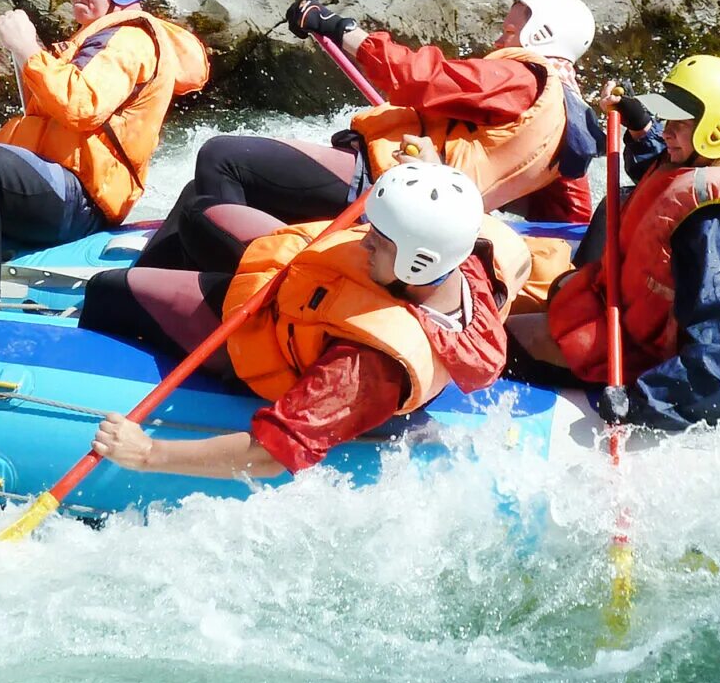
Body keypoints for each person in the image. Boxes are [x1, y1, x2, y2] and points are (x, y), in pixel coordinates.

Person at [81, 162, 531, 478]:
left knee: (109, 290)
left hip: (267, 340)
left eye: (379, 240)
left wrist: (147, 453)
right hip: (306, 283)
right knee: (199, 212)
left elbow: (271, 454)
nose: (364, 244)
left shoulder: (364, 369)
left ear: (418, 261)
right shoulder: (470, 261)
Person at [136, 0, 600, 273]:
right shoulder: (571, 120)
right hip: (406, 192)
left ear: (540, 36)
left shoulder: (521, 77)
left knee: (223, 156)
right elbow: (570, 217)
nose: (497, 41)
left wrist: (341, 28)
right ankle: (147, 275)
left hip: (384, 182)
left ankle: (231, 290)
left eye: (507, 32)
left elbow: (422, 78)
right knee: (204, 185)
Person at [509, 56, 720, 431]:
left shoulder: (717, 223)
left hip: (645, 362)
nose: (666, 132)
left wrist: (642, 403)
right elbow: (660, 179)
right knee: (528, 308)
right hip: (622, 324)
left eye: (679, 123)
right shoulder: (700, 163)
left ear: (718, 130)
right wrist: (641, 128)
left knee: (505, 342)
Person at [0, 0, 209, 299]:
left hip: (79, 199)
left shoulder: (131, 40)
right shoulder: (95, 40)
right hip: (53, 184)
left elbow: (81, 105)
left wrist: (26, 47)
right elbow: (50, 102)